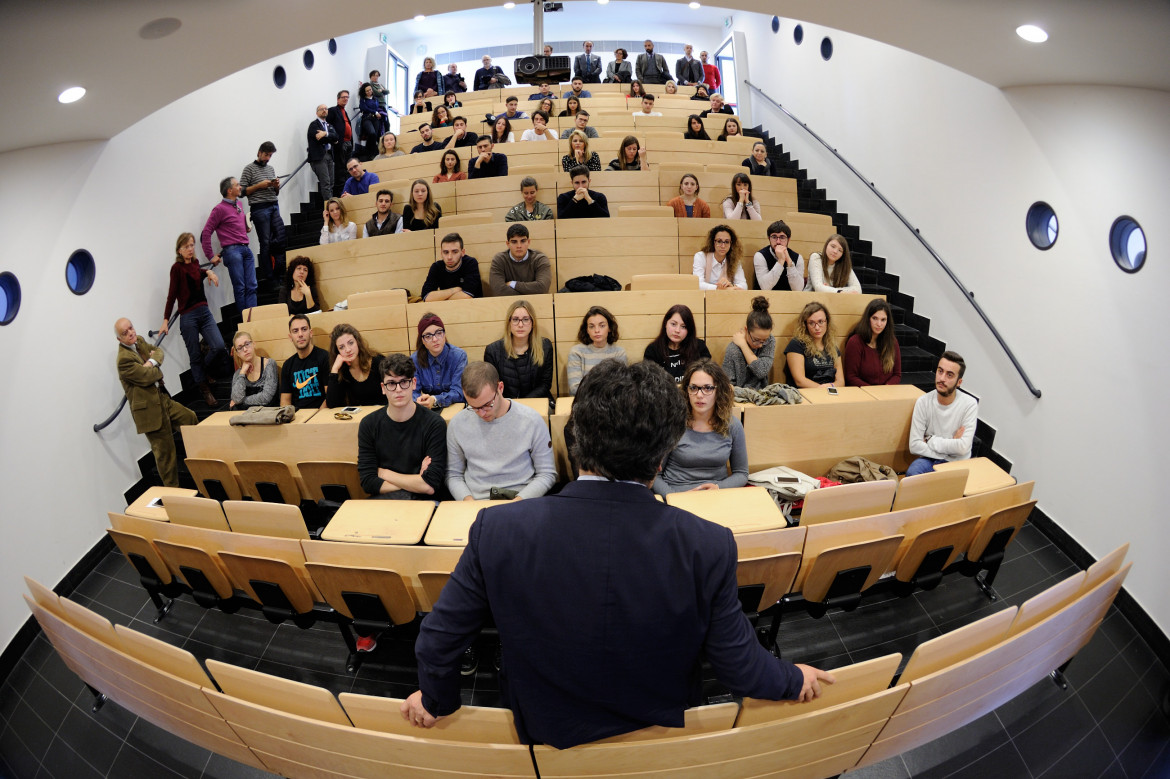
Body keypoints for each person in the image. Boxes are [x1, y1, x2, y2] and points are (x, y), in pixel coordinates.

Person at [404, 358, 833, 748]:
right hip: (659, 730)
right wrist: (792, 678)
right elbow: (738, 665)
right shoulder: (709, 544)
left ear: (578, 443)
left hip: (543, 728)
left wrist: (437, 700)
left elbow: (438, 642)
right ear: (664, 457)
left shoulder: (496, 529)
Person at [444, 362, 557, 501]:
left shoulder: (531, 420)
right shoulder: (458, 424)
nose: (481, 413)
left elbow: (547, 474)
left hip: (522, 498)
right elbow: (453, 475)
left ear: (500, 388)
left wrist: (519, 501)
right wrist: (468, 501)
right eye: (474, 407)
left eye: (487, 405)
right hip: (476, 502)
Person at [114, 318, 199, 487]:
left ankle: (201, 463)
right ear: (119, 339)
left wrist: (151, 362)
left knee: (190, 418)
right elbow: (148, 377)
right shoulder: (123, 360)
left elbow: (158, 351)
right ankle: (174, 494)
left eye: (131, 328)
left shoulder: (139, 341)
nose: (131, 333)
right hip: (149, 413)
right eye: (125, 333)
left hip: (162, 400)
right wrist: (155, 369)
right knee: (165, 455)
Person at [358, 353, 448, 502]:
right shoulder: (369, 424)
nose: (398, 389)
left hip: (424, 503)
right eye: (391, 383)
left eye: (404, 382)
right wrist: (417, 481)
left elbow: (430, 485)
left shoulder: (434, 423)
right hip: (385, 501)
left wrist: (384, 473)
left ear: (413, 383)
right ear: (383, 388)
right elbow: (368, 483)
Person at [653, 361, 748, 494]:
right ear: (686, 390)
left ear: (719, 390)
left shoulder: (733, 425)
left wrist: (719, 488)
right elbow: (654, 475)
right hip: (676, 495)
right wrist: (674, 497)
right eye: (693, 388)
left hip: (716, 496)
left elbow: (741, 473)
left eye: (707, 388)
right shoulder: (672, 422)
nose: (699, 395)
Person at [161, 232, 224, 407]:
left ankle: (202, 373)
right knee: (194, 356)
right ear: (179, 250)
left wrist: (209, 273)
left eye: (191, 245)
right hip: (188, 316)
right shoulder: (176, 268)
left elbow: (198, 271)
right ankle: (205, 390)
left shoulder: (195, 264)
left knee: (218, 346)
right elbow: (171, 296)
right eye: (186, 246)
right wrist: (166, 319)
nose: (190, 249)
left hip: (204, 312)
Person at [908, 352, 977, 476]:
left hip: (958, 461)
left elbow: (963, 448)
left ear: (959, 382)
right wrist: (952, 445)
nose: (942, 378)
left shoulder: (969, 405)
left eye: (949, 375)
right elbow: (914, 446)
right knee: (913, 472)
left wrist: (930, 440)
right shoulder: (923, 402)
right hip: (930, 459)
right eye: (940, 371)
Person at [200, 176, 257, 311]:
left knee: (252, 285)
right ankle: (246, 323)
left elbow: (235, 225)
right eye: (237, 185)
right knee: (241, 287)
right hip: (232, 251)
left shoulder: (239, 204)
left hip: (245, 248)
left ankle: (254, 319)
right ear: (230, 190)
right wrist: (210, 255)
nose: (240, 187)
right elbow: (206, 232)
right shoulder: (219, 209)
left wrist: (246, 228)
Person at [483, 300, 554, 398]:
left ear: (532, 323)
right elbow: (494, 387)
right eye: (515, 319)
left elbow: (545, 384)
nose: (520, 325)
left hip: (537, 402)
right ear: (509, 323)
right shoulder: (492, 351)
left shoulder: (545, 346)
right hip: (506, 405)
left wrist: (524, 404)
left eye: (525, 319)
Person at [238, 141, 286, 284]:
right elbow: (241, 192)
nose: (268, 158)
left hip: (273, 205)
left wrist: (276, 186)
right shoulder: (249, 169)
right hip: (259, 208)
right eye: (266, 155)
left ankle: (279, 274)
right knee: (265, 243)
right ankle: (270, 278)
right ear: (259, 153)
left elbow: (275, 193)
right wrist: (259, 186)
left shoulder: (270, 169)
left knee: (280, 240)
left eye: (270, 155)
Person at [412, 313, 468, 412]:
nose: (435, 339)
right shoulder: (415, 359)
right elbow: (412, 391)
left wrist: (435, 400)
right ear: (423, 341)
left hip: (454, 408)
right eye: (428, 336)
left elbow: (458, 392)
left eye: (438, 333)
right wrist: (419, 401)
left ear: (444, 335)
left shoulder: (459, 356)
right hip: (426, 410)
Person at [566, 306, 627, 395]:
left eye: (602, 326)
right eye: (591, 327)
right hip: (584, 403)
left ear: (609, 328)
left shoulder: (619, 353)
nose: (597, 330)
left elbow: (621, 386)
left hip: (611, 403)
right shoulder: (576, 352)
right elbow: (575, 388)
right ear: (587, 330)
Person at [642, 304, 711, 383]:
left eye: (683, 326)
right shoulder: (652, 350)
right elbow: (649, 383)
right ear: (665, 324)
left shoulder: (699, 347)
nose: (677, 330)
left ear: (689, 330)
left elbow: (708, 377)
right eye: (673, 324)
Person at [844, 298, 902, 386]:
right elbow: (851, 377)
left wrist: (886, 389)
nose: (879, 324)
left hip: (885, 393)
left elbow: (897, 375)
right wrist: (873, 392)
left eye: (883, 320)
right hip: (862, 393)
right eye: (875, 318)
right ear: (868, 319)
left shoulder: (892, 341)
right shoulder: (855, 342)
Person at [784, 302, 843, 387]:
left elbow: (840, 381)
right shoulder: (796, 344)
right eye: (811, 323)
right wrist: (822, 389)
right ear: (805, 325)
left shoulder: (832, 346)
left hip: (830, 393)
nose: (817, 327)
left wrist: (831, 387)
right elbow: (800, 381)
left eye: (820, 322)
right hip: (806, 394)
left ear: (827, 322)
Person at [326, 323, 386, 407]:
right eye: (341, 347)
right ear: (337, 351)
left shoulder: (378, 361)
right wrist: (334, 369)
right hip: (358, 417)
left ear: (357, 342)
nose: (348, 350)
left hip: (382, 414)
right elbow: (332, 404)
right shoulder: (342, 370)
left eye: (350, 343)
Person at [722, 297, 776, 390]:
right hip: (739, 396)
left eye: (764, 340)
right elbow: (728, 384)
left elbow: (761, 371)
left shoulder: (770, 341)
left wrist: (744, 345)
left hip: (762, 394)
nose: (760, 345)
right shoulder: (733, 349)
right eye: (756, 339)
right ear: (746, 330)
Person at [279, 314, 330, 409]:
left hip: (320, 414)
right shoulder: (287, 365)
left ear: (311, 333)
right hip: (297, 417)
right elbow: (285, 401)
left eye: (304, 329)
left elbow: (330, 396)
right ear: (290, 337)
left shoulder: (325, 357)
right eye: (295, 331)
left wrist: (317, 417)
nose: (300, 334)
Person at [489, 223, 551, 296]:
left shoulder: (540, 259)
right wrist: (529, 292)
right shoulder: (499, 260)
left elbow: (542, 288)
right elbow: (499, 290)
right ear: (508, 244)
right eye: (514, 242)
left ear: (528, 242)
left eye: (523, 241)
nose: (519, 246)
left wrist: (513, 284)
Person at [422, 233, 483, 301]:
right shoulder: (436, 267)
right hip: (446, 310)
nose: (449, 257)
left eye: (455, 252)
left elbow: (467, 296)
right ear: (441, 254)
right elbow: (426, 297)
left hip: (472, 308)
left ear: (462, 252)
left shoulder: (470, 263)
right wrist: (454, 290)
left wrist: (440, 298)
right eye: (446, 252)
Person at [229, 331, 278, 409]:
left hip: (267, 414)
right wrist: (242, 373)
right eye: (240, 348)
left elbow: (266, 397)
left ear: (253, 344)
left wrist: (242, 401)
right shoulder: (238, 374)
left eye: (247, 344)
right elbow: (237, 398)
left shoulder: (269, 364)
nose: (245, 349)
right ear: (237, 353)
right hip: (245, 417)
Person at [754, 220, 805, 292]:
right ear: (769, 238)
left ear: (788, 239)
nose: (778, 242)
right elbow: (765, 287)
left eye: (782, 237)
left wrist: (789, 262)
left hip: (789, 299)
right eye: (774, 237)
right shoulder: (760, 256)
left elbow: (798, 289)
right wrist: (780, 261)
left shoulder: (798, 258)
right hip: (764, 300)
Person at [693, 224, 747, 290]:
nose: (723, 246)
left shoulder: (735, 260)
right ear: (713, 242)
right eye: (719, 241)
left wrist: (732, 285)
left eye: (727, 242)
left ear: (731, 244)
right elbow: (698, 284)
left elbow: (744, 285)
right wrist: (719, 288)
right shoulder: (701, 256)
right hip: (704, 298)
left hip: (726, 298)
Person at [307, 103, 338, 202]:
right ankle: (329, 207)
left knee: (331, 183)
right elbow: (320, 140)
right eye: (321, 109)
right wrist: (331, 138)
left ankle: (331, 205)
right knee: (326, 183)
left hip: (329, 155)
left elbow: (337, 137)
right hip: (319, 157)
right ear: (317, 113)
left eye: (326, 109)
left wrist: (325, 133)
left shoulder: (329, 125)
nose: (324, 110)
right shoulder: (314, 125)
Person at [326, 91, 354, 197]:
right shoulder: (333, 110)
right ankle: (340, 192)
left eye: (347, 97)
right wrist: (334, 139)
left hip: (348, 143)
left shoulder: (344, 111)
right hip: (340, 144)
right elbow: (327, 125)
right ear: (338, 99)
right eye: (343, 97)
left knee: (348, 167)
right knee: (341, 168)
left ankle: (347, 189)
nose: (345, 99)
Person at [357, 82, 388, 154]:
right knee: (372, 133)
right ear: (364, 92)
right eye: (367, 91)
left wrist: (376, 113)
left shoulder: (375, 99)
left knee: (375, 135)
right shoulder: (363, 99)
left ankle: (372, 152)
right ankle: (369, 150)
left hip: (375, 119)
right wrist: (375, 112)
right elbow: (364, 108)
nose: (369, 92)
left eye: (370, 90)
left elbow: (376, 108)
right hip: (367, 118)